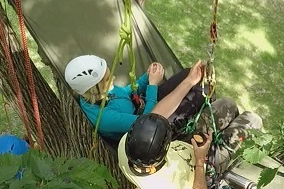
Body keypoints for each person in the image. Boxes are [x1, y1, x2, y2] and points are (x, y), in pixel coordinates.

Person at [118, 99, 262, 189]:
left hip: (185, 143)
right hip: (206, 165)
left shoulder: (126, 143)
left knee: (227, 104)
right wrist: (200, 160)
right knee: (253, 120)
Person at [65, 55, 207, 144]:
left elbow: (125, 93)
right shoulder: (104, 118)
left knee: (189, 74)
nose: (113, 78)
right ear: (93, 89)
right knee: (200, 91)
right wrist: (152, 85)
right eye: (108, 79)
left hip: (144, 106)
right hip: (148, 131)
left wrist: (146, 78)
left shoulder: (98, 94)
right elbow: (146, 123)